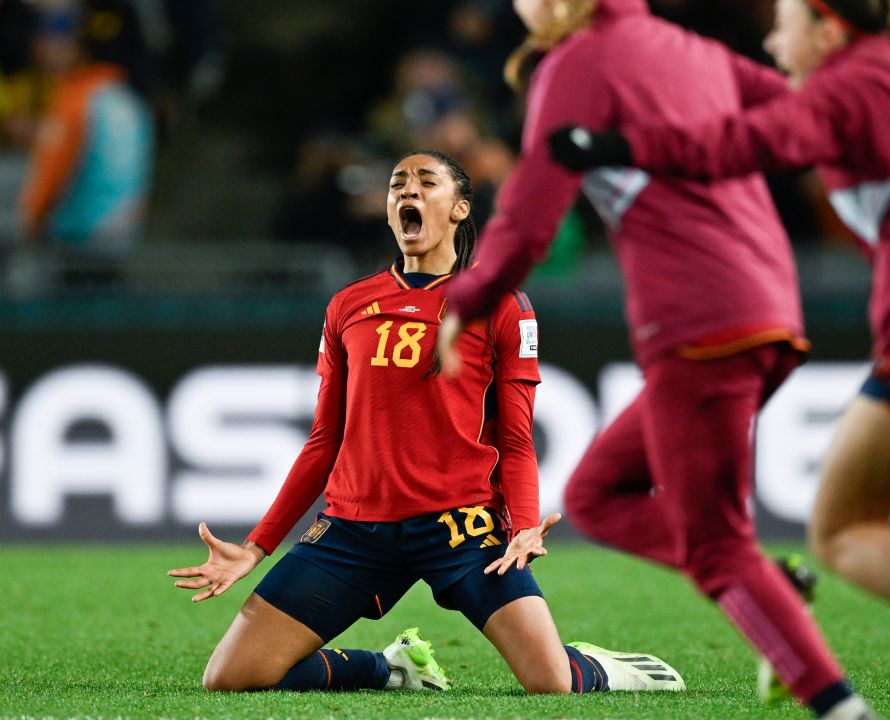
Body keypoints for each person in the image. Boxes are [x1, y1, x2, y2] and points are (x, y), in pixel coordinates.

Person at [547, 1, 890, 718]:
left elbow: (741, 143)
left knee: (842, 530)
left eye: (787, 25)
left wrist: (620, 146)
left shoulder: (847, 87)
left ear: (830, 29)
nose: (776, 43)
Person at [437, 1, 878, 718]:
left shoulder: (577, 63)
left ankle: (838, 705)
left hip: (702, 323)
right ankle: (768, 586)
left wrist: (467, 300)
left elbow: (529, 218)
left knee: (716, 547)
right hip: (765, 306)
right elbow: (804, 117)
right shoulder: (690, 48)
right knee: (596, 496)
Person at [167, 150, 684, 697]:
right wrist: (256, 546)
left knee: (551, 683)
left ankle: (598, 665)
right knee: (230, 678)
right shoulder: (349, 305)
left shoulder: (503, 305)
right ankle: (388, 669)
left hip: (461, 528)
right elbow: (325, 440)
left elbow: (516, 440)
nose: (406, 192)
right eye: (396, 185)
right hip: (354, 530)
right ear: (390, 211)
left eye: (425, 182)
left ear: (460, 207)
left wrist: (524, 523)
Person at [17, 0, 153, 281]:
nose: (39, 47)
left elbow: (52, 173)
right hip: (119, 240)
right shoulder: (125, 99)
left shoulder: (77, 101)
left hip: (76, 245)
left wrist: (30, 225)